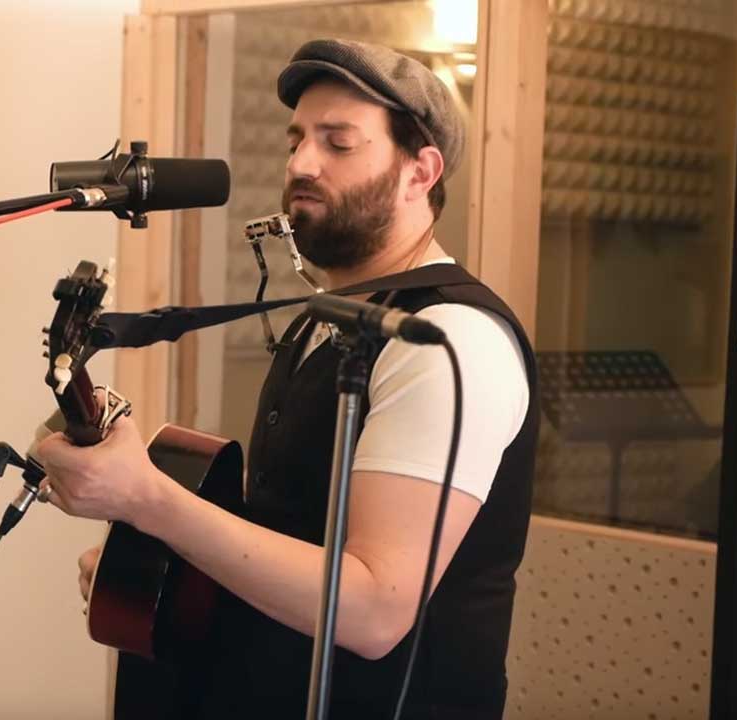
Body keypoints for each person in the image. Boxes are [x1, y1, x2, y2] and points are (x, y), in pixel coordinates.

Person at [36, 38, 538, 719]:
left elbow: (369, 611)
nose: (302, 163)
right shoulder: (323, 322)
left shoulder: (444, 341)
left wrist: (147, 501)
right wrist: (169, 576)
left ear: (421, 172)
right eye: (296, 139)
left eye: (338, 142)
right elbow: (296, 541)